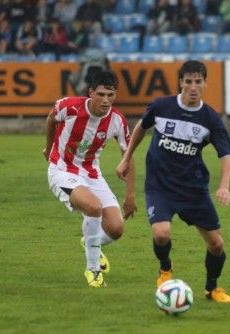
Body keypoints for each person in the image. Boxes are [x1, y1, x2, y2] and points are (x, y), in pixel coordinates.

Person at [117, 60, 230, 303]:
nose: (193, 86)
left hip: (193, 189)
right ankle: (165, 269)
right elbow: (141, 127)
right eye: (188, 81)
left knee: (216, 244)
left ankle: (212, 288)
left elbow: (225, 156)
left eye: (198, 81)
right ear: (180, 82)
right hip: (160, 186)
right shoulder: (162, 106)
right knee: (161, 233)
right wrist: (126, 158)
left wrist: (224, 186)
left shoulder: (210, 119)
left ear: (205, 83)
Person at [43, 71, 137, 288]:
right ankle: (93, 270)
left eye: (110, 95)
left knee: (116, 229)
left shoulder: (117, 121)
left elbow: (128, 156)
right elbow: (51, 119)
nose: (106, 101)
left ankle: (90, 241)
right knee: (94, 207)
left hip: (92, 174)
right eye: (101, 94)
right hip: (62, 171)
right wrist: (49, 149)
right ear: (91, 92)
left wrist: (130, 195)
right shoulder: (69, 106)